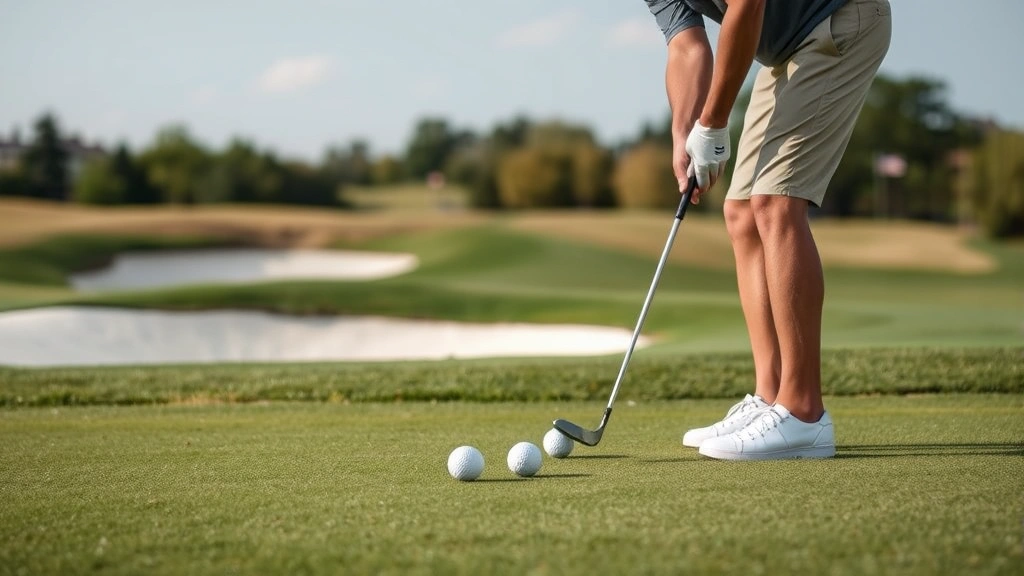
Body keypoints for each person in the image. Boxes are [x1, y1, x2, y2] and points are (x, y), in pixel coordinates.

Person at [644, 0, 891, 460]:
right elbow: (686, 46)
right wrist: (684, 133)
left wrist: (713, 122)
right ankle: (771, 396)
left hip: (840, 20)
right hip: (784, 51)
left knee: (776, 203)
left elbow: (748, 3)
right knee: (741, 212)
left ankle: (803, 413)